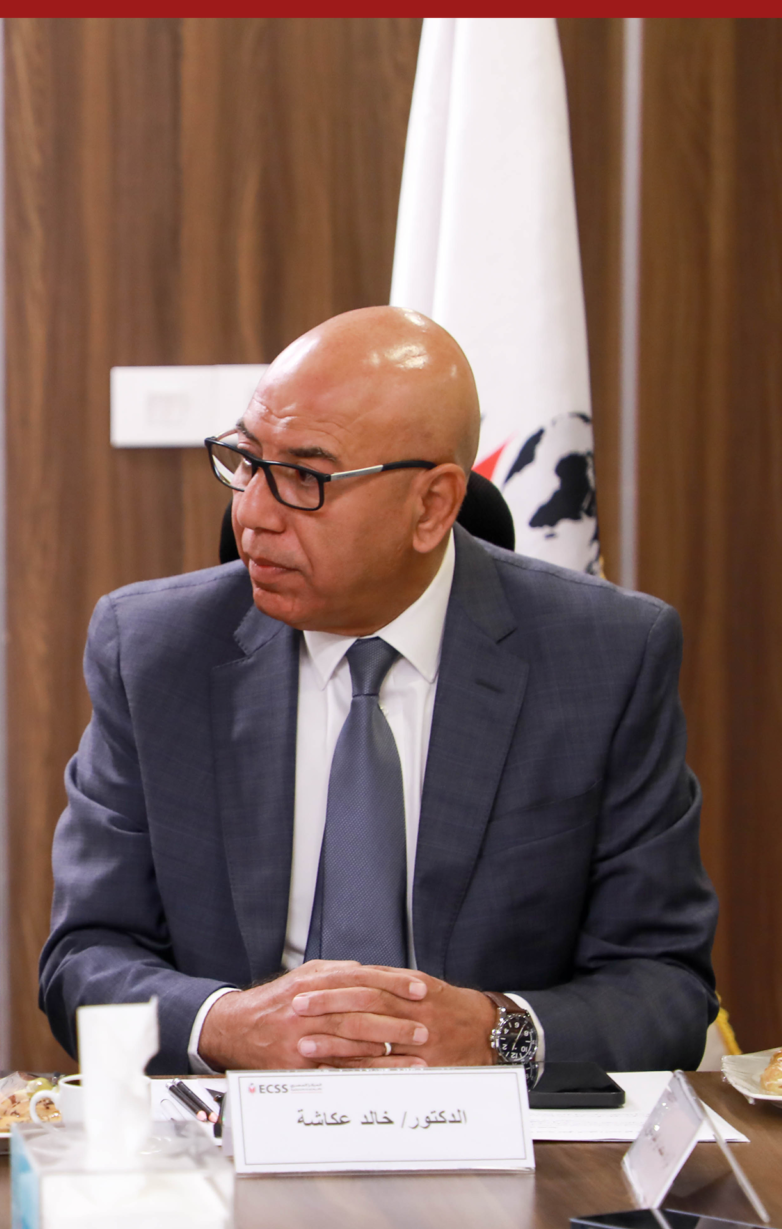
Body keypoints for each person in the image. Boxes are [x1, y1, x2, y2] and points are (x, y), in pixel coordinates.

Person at [39, 308, 717, 1077]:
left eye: (305, 477)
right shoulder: (157, 651)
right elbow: (84, 959)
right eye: (247, 461)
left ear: (432, 507)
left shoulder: (605, 658)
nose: (252, 513)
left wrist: (496, 1034)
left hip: (494, 1128)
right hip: (240, 1121)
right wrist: (228, 1025)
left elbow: (665, 984)